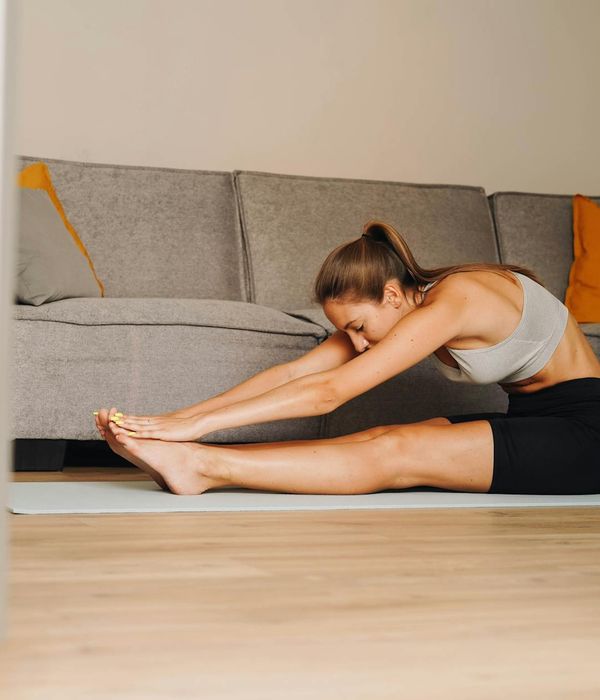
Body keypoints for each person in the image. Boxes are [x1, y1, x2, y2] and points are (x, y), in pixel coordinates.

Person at [94, 219, 600, 496]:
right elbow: (296, 373)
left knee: (400, 450)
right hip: (540, 421)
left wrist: (199, 428)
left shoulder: (456, 300)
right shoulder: (404, 307)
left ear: (394, 295)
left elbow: (329, 392)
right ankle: (187, 461)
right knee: (375, 437)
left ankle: (201, 465)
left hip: (586, 433)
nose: (355, 343)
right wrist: (178, 419)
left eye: (358, 327)